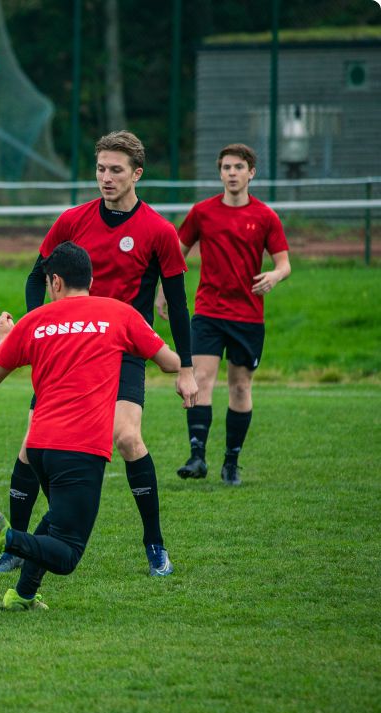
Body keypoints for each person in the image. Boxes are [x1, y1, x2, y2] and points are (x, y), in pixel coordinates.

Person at [0, 130, 197, 579]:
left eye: (116, 170)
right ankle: (15, 547)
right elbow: (36, 278)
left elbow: (180, 302)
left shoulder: (159, 231)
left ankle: (154, 543)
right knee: (29, 446)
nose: (106, 178)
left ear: (137, 174)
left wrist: (186, 369)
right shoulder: (73, 220)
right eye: (100, 168)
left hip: (124, 348)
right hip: (68, 348)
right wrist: (42, 328)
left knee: (128, 438)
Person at [0, 242, 181, 610]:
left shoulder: (35, 321)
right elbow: (171, 362)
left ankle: (22, 595)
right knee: (67, 554)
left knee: (55, 521)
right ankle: (6, 539)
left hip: (40, 448)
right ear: (91, 279)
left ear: (55, 282)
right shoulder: (119, 314)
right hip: (80, 448)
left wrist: (3, 340)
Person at [157, 143, 290, 486]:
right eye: (226, 167)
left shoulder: (265, 216)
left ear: (251, 173)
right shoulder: (202, 212)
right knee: (200, 380)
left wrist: (274, 276)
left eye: (238, 167)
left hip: (247, 316)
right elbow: (176, 252)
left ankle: (231, 462)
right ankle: (197, 456)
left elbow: (284, 263)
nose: (232, 173)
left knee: (240, 388)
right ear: (220, 173)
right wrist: (162, 291)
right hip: (208, 311)